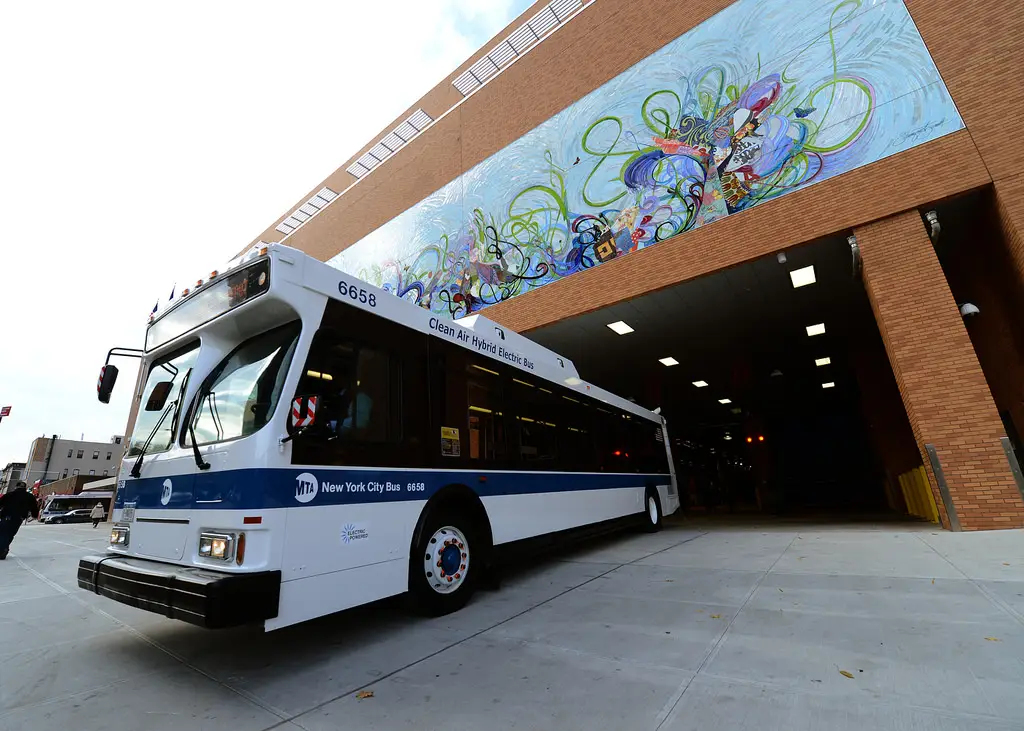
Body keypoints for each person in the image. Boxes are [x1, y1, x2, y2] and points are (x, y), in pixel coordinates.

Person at [0, 482, 40, 559]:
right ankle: (3, 550)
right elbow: (34, 508)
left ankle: (2, 550)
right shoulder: (30, 497)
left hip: (6, 517)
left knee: (3, 533)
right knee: (10, 534)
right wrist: (34, 515)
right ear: (25, 488)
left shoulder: (9, 495)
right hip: (18, 519)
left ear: (16, 487)